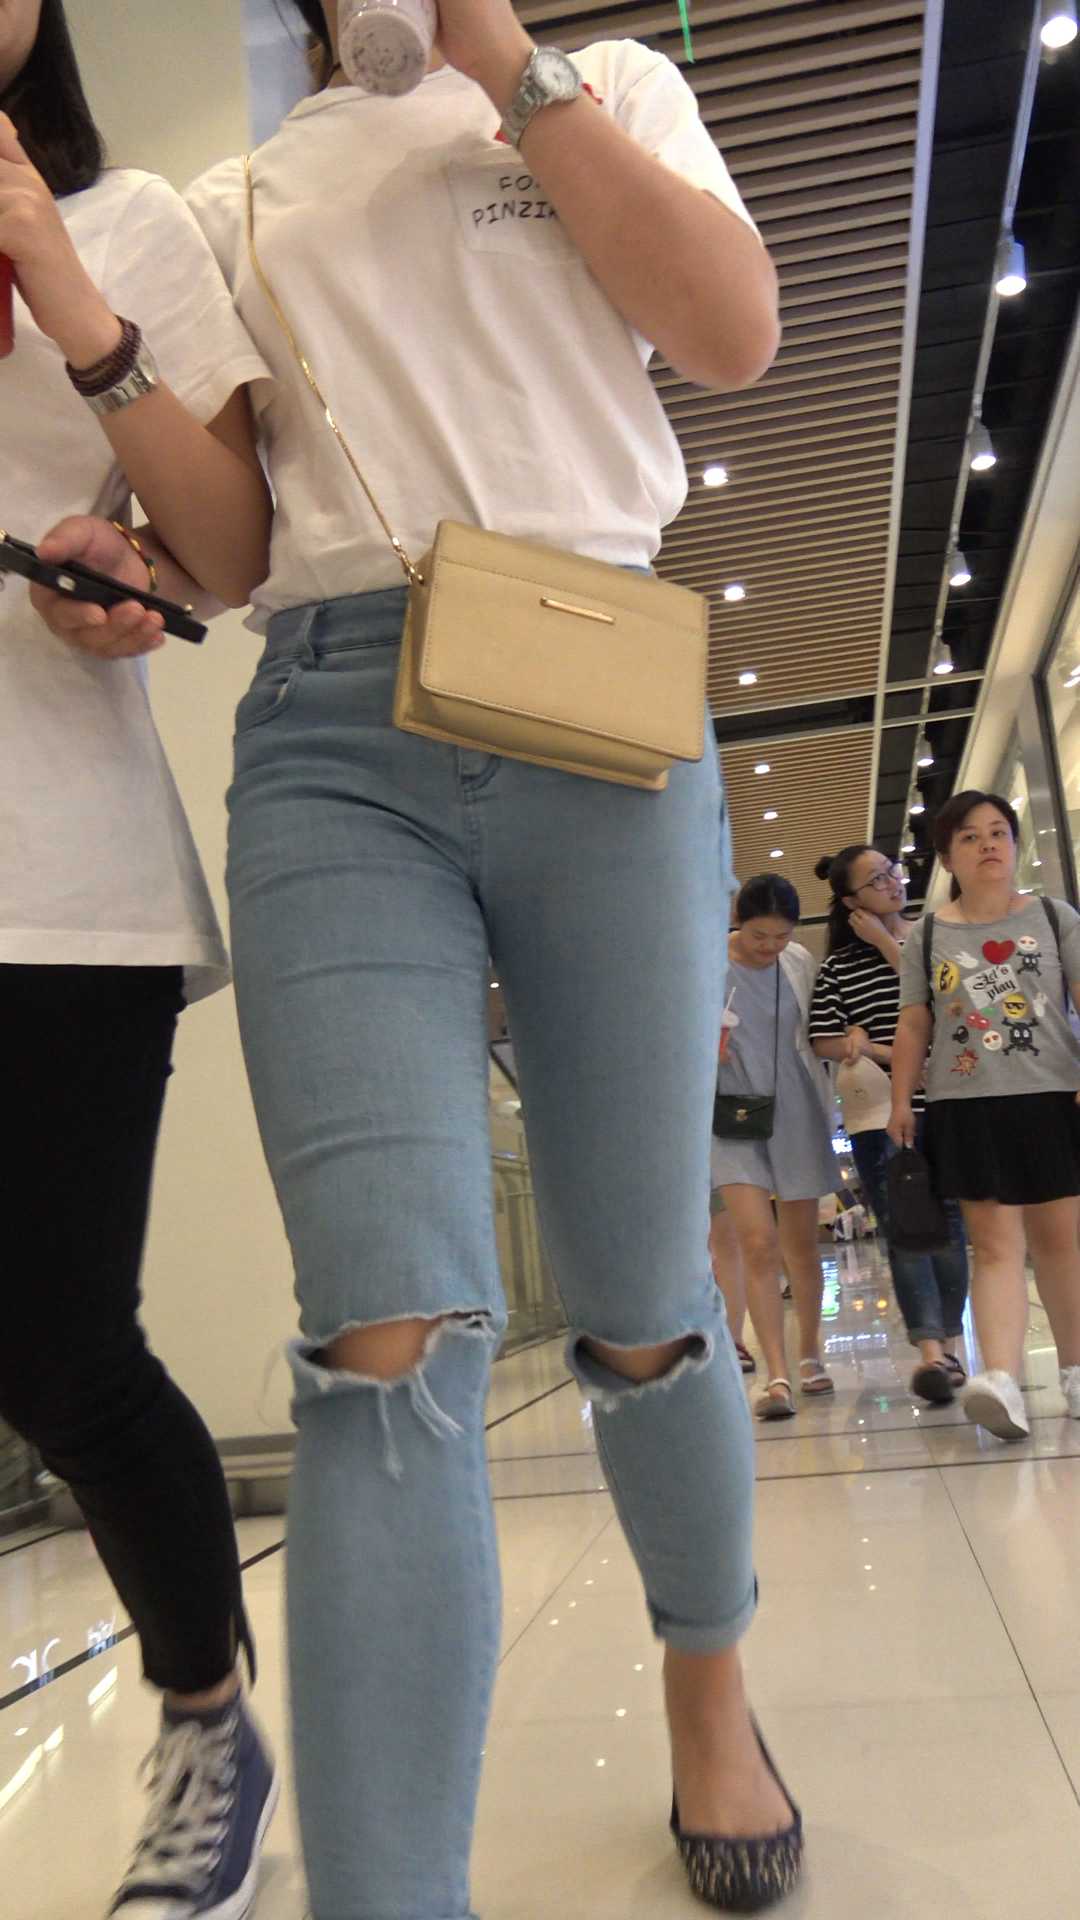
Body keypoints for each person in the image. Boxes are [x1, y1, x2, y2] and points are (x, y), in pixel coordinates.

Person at [24, 0, 801, 1914]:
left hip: (597, 691)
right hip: (332, 731)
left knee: (640, 1296)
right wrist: (130, 544)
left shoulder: (609, 91)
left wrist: (505, 60)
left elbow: (730, 331)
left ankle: (709, 1679)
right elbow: (223, 550)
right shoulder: (233, 197)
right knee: (382, 1334)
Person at [0, 5, 279, 1918]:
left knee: (56, 1346)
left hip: (58, 879)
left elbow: (226, 550)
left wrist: (52, 269)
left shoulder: (133, 225)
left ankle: (204, 1718)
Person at [890, 792, 1080, 1442]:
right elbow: (914, 1023)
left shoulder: (1054, 917)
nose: (988, 845)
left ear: (1015, 843)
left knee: (1059, 1244)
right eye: (970, 837)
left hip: (1051, 1096)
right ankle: (1000, 1379)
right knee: (995, 1247)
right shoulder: (928, 935)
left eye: (999, 832)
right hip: (965, 1105)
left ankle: (1075, 1371)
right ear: (948, 857)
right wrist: (901, 1102)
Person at [809, 845, 970, 1403]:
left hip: (948, 1105)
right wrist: (884, 1053)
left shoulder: (934, 937)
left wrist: (886, 943)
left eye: (892, 872)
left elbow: (949, 1003)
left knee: (953, 1225)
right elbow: (824, 1038)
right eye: (876, 880)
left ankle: (950, 1345)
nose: (893, 882)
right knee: (906, 1229)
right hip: (880, 1113)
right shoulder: (838, 967)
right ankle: (931, 1353)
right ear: (850, 901)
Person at [712, 875, 836, 1420]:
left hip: (795, 1109)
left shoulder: (798, 963)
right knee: (757, 1242)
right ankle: (775, 1375)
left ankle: (810, 1354)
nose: (770, 947)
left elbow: (816, 1032)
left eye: (781, 936)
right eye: (759, 935)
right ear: (738, 922)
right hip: (730, 1115)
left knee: (800, 1245)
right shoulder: (706, 963)